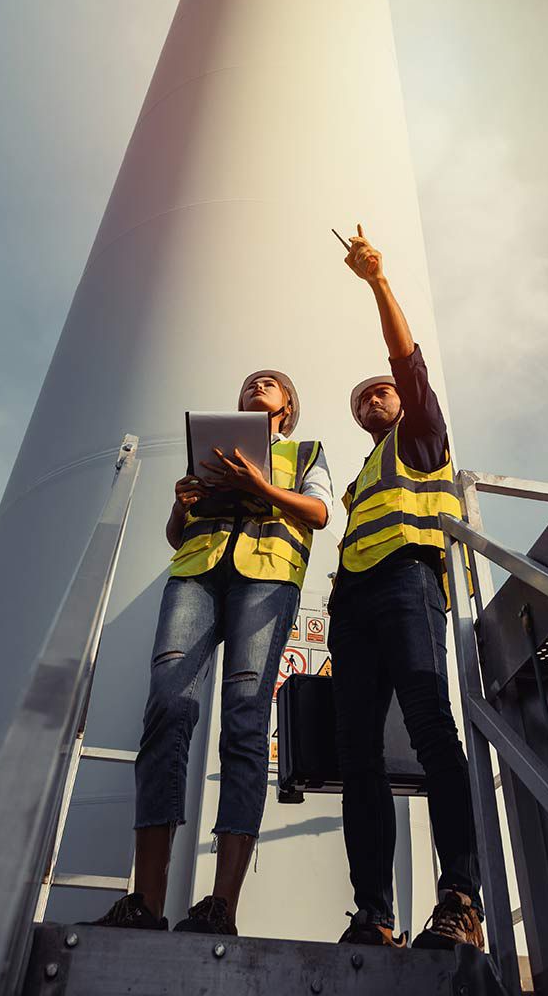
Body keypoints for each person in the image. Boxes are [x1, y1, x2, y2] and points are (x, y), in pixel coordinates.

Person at [87, 370, 332, 935]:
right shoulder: (212, 452)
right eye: (250, 382)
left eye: (270, 383)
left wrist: (262, 486)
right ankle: (145, 902)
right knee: (167, 710)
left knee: (245, 723)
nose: (258, 385)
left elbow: (318, 513)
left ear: (287, 405)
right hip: (196, 574)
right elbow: (179, 535)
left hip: (266, 579)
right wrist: (181, 505)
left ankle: (221, 906)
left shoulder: (307, 451)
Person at [330, 226, 484, 951]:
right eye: (361, 401)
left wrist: (377, 282)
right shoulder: (364, 474)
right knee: (356, 751)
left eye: (379, 393)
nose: (371, 401)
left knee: (430, 729)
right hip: (354, 604)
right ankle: (375, 915)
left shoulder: (422, 436)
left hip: (409, 584)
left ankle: (460, 896)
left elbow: (407, 361)